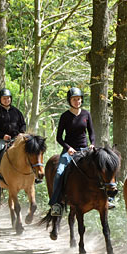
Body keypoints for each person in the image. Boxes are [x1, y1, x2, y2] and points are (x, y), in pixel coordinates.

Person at [48, 87, 95, 216]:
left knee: (98, 168)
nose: (77, 102)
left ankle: (105, 199)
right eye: (74, 99)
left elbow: (91, 132)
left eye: (79, 99)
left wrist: (92, 144)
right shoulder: (65, 116)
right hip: (69, 150)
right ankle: (56, 203)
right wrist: (68, 148)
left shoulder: (86, 114)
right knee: (59, 172)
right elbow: (59, 137)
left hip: (85, 150)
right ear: (70, 101)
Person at [0, 88, 26, 185]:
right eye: (4, 98)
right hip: (1, 140)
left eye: (8, 98)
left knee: (29, 150)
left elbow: (23, 124)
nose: (6, 100)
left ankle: (33, 175)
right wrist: (2, 136)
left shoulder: (17, 112)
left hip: (16, 139)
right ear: (0, 99)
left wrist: (21, 133)